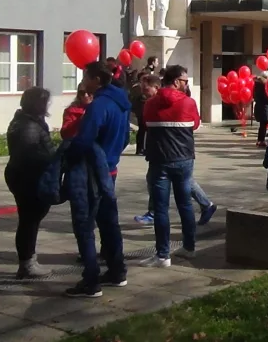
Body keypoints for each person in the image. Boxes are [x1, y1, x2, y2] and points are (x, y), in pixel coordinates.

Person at [63, 61, 130, 298]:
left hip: (92, 170)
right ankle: (116, 270)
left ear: (97, 80)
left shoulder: (99, 105)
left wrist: (69, 156)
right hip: (110, 167)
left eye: (86, 77)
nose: (84, 82)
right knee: (108, 221)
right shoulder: (121, 102)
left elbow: (84, 139)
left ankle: (90, 281)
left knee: (85, 224)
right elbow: (125, 139)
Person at [141, 64, 201, 268]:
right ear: (176, 82)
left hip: (159, 161)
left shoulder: (150, 104)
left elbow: (147, 123)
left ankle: (162, 255)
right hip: (184, 160)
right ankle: (190, 248)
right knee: (185, 204)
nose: (186, 84)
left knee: (160, 209)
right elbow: (195, 124)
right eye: (185, 81)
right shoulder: (189, 103)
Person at [5, 87, 58, 280]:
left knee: (30, 219)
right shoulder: (27, 125)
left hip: (24, 175)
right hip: (27, 178)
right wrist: (54, 157)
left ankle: (28, 261)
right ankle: (27, 263)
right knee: (29, 220)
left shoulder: (28, 121)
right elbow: (30, 154)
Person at [130, 74, 158, 157]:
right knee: (142, 130)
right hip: (141, 112)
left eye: (146, 89)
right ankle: (141, 148)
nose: (143, 91)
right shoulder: (136, 88)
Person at [253, 71, 268, 147]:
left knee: (263, 124)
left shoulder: (257, 85)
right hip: (265, 107)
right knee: (264, 124)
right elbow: (267, 97)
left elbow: (255, 96)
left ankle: (260, 140)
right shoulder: (264, 86)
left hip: (260, 106)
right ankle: (261, 140)